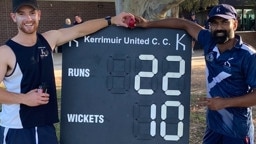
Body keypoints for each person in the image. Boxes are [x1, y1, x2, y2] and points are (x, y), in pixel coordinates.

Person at [0, 0, 133, 143]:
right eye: (22, 14)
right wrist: (25, 99)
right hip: (17, 129)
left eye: (32, 13)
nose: (28, 19)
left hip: (45, 127)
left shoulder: (48, 39)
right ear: (14, 17)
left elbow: (80, 29)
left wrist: (111, 20)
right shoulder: (5, 52)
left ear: (39, 14)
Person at [135, 4, 256, 144]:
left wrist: (225, 103)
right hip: (213, 127)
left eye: (224, 22)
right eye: (214, 23)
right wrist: (147, 24)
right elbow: (183, 24)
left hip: (237, 131)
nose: (219, 28)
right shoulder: (208, 41)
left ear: (234, 24)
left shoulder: (248, 56)